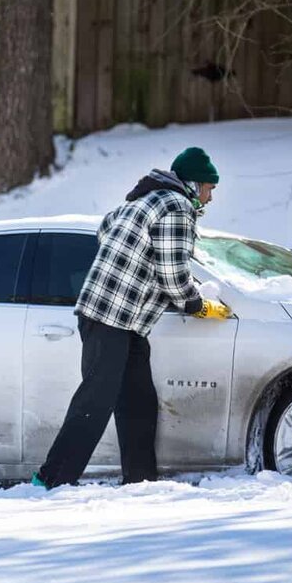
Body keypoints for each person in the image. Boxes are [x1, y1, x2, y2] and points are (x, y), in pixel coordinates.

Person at [33, 148, 232, 489]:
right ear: (194, 184)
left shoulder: (138, 202)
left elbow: (106, 230)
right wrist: (196, 305)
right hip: (112, 318)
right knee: (96, 399)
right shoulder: (177, 206)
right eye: (210, 188)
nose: (211, 196)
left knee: (138, 400)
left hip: (120, 320)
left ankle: (141, 481)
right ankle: (50, 479)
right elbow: (172, 272)